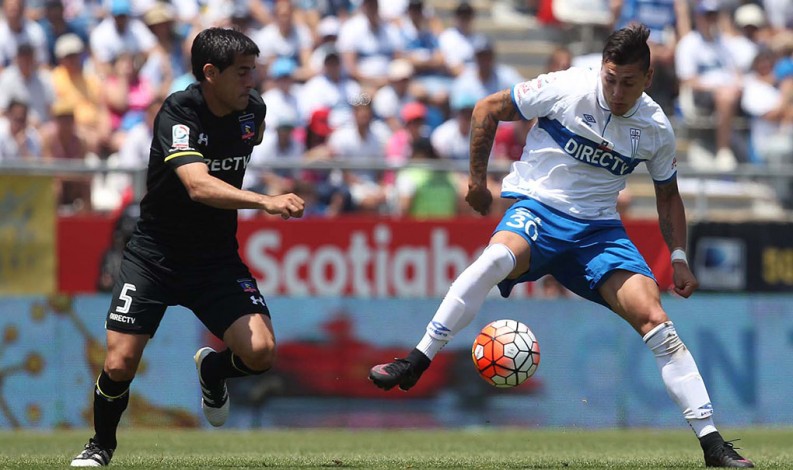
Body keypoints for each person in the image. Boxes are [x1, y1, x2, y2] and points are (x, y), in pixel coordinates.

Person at [369, 24, 754, 468]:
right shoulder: (567, 85)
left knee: (656, 319)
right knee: (495, 258)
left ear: (648, 79)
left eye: (628, 82)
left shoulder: (655, 128)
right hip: (540, 210)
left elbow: (668, 195)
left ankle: (712, 443)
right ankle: (417, 360)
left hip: (599, 232)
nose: (615, 90)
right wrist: (476, 182)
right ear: (601, 69)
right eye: (610, 78)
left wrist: (680, 258)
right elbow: (487, 108)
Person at [70, 27, 305, 467]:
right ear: (210, 73)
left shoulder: (253, 112)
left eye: (253, 70)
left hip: (215, 259)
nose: (252, 81)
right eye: (242, 72)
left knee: (261, 354)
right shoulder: (178, 112)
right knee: (119, 363)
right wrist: (265, 201)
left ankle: (213, 371)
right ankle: (100, 445)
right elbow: (197, 186)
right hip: (153, 257)